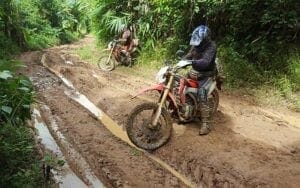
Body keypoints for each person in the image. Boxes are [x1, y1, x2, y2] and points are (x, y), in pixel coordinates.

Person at [184, 25, 217, 135]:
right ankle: (188, 112)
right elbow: (190, 54)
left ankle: (205, 123)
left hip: (206, 74)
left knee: (202, 93)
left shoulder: (212, 46)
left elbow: (205, 62)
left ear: (205, 39)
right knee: (182, 84)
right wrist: (183, 59)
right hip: (194, 72)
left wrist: (192, 62)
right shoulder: (196, 45)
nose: (197, 45)